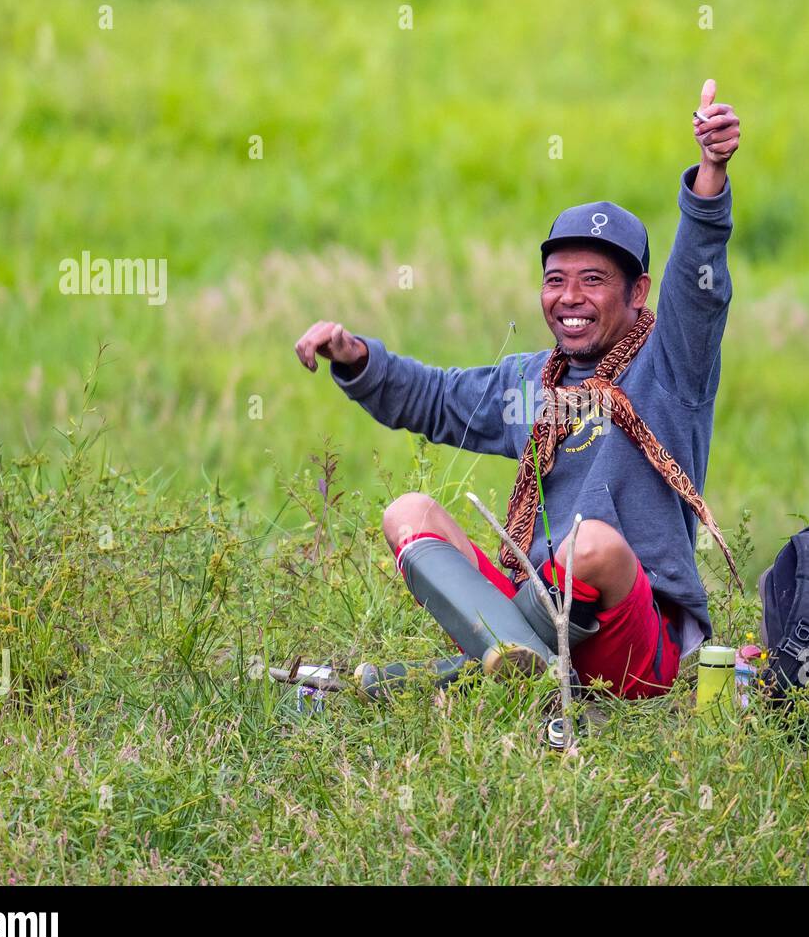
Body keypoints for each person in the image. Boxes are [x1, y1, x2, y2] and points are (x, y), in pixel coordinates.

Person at [294, 80, 741, 700]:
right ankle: (528, 669)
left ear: (638, 294)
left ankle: (480, 672)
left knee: (591, 544)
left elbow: (698, 287)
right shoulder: (532, 384)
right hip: (540, 604)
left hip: (635, 639)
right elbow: (433, 399)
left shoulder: (672, 365)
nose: (570, 298)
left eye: (593, 279)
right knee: (407, 513)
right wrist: (355, 357)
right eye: (556, 280)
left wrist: (710, 179)